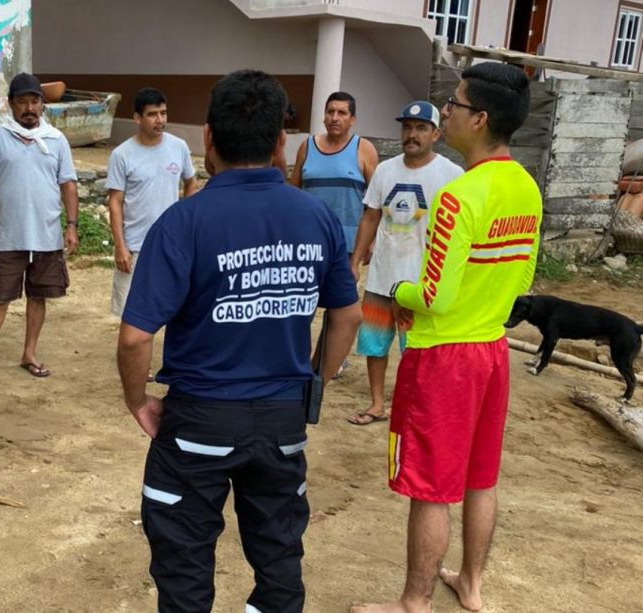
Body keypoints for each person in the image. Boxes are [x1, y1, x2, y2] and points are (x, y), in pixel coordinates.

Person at [117, 69, 362, 613]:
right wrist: (314, 382)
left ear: (207, 137)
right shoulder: (316, 217)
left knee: (183, 564)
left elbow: (136, 338)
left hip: (199, 419)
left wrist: (138, 401)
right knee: (278, 562)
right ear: (281, 142)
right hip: (282, 422)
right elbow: (347, 314)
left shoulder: (184, 221)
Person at [351, 63, 541, 613]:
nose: (448, 111)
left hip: (443, 357)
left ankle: (415, 601)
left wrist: (401, 291)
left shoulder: (460, 195)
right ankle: (472, 585)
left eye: (455, 104)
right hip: (491, 351)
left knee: (430, 485)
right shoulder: (525, 187)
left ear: (478, 119)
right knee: (481, 476)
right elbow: (523, 281)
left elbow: (431, 294)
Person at [346, 101, 462, 425]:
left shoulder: (452, 176)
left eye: (421, 128)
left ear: (436, 133)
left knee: (418, 351)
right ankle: (376, 404)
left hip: (421, 282)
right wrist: (356, 261)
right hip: (383, 276)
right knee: (374, 344)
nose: (412, 135)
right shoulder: (385, 170)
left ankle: (414, 409)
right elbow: (370, 217)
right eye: (407, 128)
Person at [0, 73, 79, 388]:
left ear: (43, 105)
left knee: (38, 296)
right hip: (9, 235)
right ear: (11, 104)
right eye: (22, 102)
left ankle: (29, 353)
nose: (29, 108)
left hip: (46, 235)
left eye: (35, 101)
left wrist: (71, 226)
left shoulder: (57, 140)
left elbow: (68, 184)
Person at [107, 87, 196, 318]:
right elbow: (115, 201)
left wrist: (186, 224)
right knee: (128, 312)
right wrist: (120, 246)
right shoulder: (122, 154)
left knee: (174, 308)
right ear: (137, 118)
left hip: (171, 244)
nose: (160, 120)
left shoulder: (179, 147)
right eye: (152, 114)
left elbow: (190, 183)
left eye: (163, 113)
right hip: (135, 246)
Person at [290, 91, 379, 253]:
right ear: (324, 116)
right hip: (309, 242)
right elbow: (293, 194)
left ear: (353, 119)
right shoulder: (307, 147)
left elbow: (376, 202)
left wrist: (372, 241)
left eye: (342, 113)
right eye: (330, 112)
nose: (334, 118)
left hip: (348, 245)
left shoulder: (364, 149)